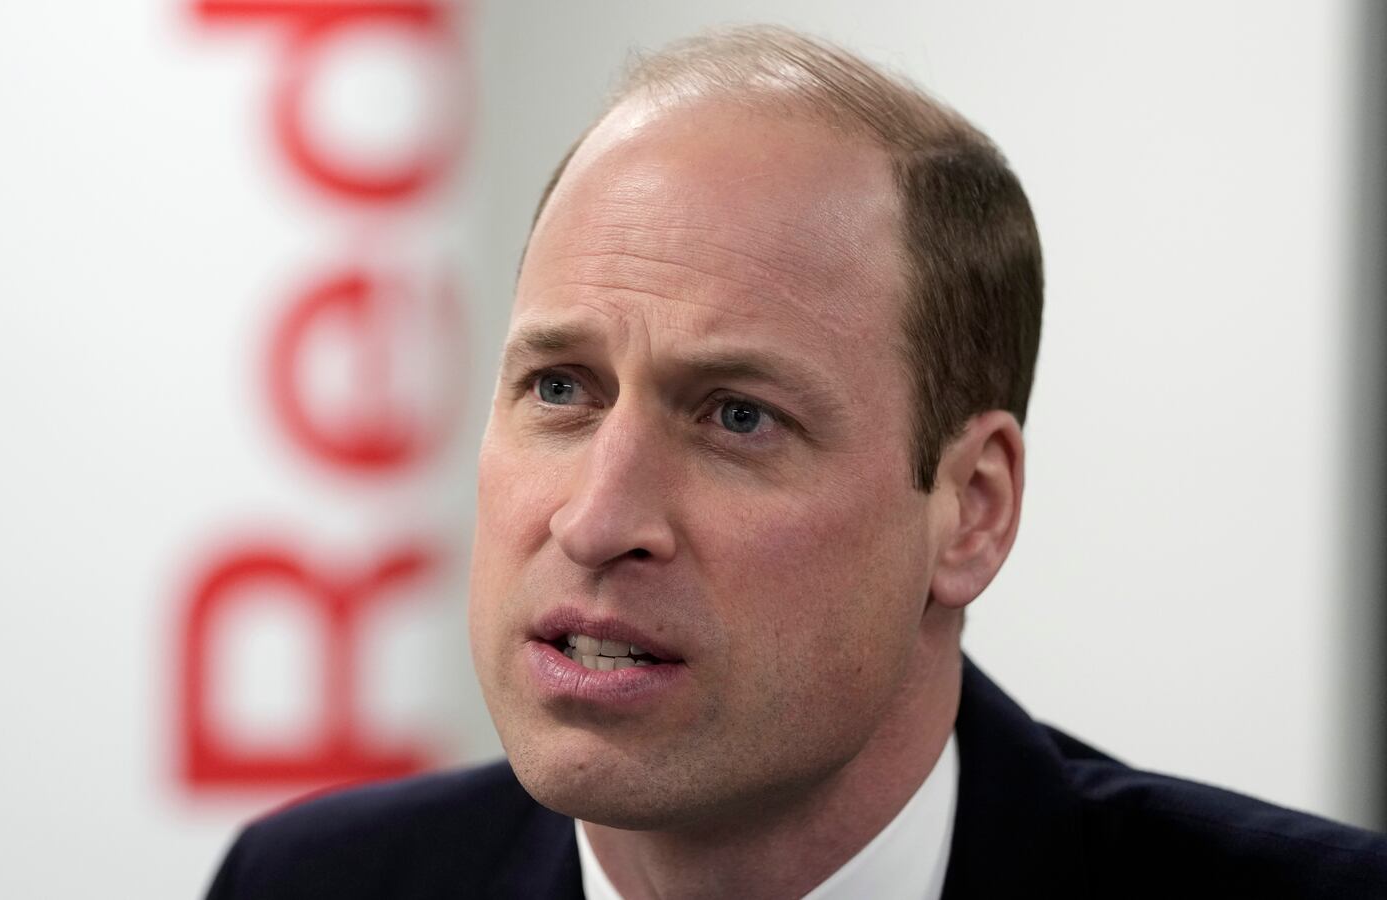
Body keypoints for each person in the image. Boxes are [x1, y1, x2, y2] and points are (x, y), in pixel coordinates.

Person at [205, 25, 1387, 899]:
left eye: (737, 417)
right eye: (559, 389)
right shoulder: (306, 883)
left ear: (971, 510)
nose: (596, 519)